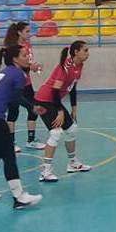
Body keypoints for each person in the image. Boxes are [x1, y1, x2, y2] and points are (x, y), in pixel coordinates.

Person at [0, 45, 45, 209]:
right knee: (9, 156)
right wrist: (32, 106)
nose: (28, 56)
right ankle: (19, 197)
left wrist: (30, 106)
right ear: (15, 59)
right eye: (24, 54)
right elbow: (15, 100)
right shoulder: (18, 74)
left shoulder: (3, 72)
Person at [35, 41, 93, 183]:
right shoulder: (64, 68)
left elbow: (72, 87)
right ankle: (46, 171)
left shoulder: (79, 66)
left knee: (72, 129)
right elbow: (55, 91)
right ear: (76, 52)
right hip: (44, 100)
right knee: (56, 133)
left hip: (55, 101)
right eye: (85, 50)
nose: (88, 53)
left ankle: (72, 163)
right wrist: (60, 111)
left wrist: (74, 108)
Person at [3, 21, 45, 152]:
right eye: (27, 31)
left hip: (27, 83)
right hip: (15, 84)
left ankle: (31, 140)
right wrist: (29, 67)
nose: (29, 33)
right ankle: (10, 142)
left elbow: (28, 63)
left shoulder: (28, 45)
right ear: (19, 32)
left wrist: (32, 67)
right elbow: (13, 66)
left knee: (33, 109)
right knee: (13, 112)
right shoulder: (13, 47)